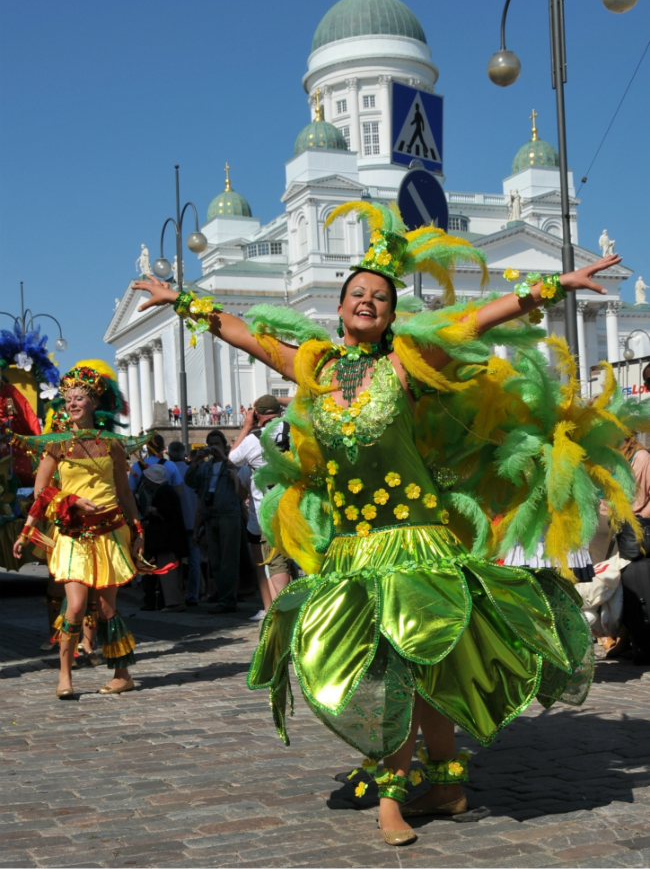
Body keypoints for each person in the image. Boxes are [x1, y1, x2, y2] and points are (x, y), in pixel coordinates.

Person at [133, 201, 639, 846]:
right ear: (340, 310)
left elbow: (471, 321)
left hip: (413, 540)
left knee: (405, 663)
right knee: (398, 667)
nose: (367, 301)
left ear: (392, 315)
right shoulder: (311, 367)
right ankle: (447, 784)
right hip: (352, 547)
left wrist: (551, 286)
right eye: (357, 294)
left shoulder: (404, 367)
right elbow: (239, 331)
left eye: (379, 296)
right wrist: (180, 298)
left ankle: (395, 797)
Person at [12, 360, 147, 698]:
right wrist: (27, 530)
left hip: (110, 531)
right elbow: (43, 493)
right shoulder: (55, 444)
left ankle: (122, 674)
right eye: (68, 398)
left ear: (95, 404)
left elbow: (125, 491)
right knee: (73, 606)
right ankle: (64, 676)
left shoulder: (112, 444)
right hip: (72, 532)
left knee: (105, 608)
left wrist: (138, 527)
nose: (72, 403)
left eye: (79, 398)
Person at [228, 395, 292, 620]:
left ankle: (286, 613)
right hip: (299, 503)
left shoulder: (254, 438)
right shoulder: (293, 428)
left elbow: (233, 458)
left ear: (257, 415)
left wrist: (246, 426)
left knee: (276, 561)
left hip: (270, 509)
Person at [184, 429, 242, 614]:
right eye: (211, 444)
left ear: (223, 444)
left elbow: (241, 480)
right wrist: (194, 463)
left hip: (228, 514)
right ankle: (222, 596)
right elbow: (190, 482)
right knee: (215, 561)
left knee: (229, 559)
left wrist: (224, 458)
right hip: (211, 515)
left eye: (217, 443)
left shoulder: (232, 463)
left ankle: (228, 600)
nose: (214, 447)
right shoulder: (205, 467)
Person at [615, 435, 650, 664]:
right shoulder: (615, 458)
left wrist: (640, 518)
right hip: (618, 529)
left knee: (639, 591)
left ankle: (644, 646)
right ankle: (630, 642)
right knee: (623, 592)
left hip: (637, 531)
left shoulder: (642, 458)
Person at [137, 464, 187, 612]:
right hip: (171, 539)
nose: (146, 482)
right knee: (170, 572)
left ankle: (173, 602)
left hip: (167, 540)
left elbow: (165, 513)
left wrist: (152, 511)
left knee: (168, 572)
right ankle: (172, 601)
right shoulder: (167, 490)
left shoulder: (163, 491)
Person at [167, 440, 202, 606]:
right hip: (193, 520)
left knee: (175, 561)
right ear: (184, 453)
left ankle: (176, 593)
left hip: (175, 522)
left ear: (169, 453)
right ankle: (193, 594)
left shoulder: (168, 470)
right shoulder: (191, 470)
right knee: (195, 561)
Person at [128, 433, 183, 497]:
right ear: (163, 448)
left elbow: (131, 493)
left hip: (143, 505)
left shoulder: (136, 466)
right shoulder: (171, 465)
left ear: (147, 448)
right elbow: (178, 492)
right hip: (164, 505)